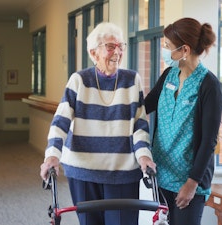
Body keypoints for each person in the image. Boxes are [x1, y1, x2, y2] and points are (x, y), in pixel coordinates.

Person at [40, 21, 156, 225]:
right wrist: (51, 157)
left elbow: (139, 124)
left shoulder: (132, 80)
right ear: (93, 53)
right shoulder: (79, 80)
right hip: (84, 169)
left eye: (121, 46)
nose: (118, 52)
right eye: (111, 47)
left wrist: (144, 156)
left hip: (123, 171)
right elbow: (61, 121)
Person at [144, 17, 222, 225]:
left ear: (185, 50)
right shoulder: (169, 75)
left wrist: (192, 183)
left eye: (167, 46)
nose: (164, 50)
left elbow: (209, 141)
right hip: (161, 175)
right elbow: (145, 105)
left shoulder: (209, 86)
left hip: (189, 180)